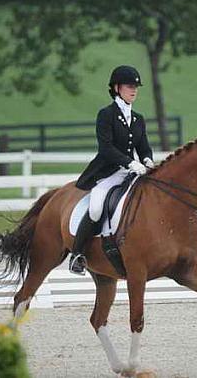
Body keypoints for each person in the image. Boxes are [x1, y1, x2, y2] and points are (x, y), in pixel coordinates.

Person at [69, 65, 155, 275]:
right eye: (129, 86)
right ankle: (77, 255)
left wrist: (147, 160)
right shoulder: (106, 115)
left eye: (136, 86)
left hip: (130, 173)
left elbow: (143, 146)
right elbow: (106, 148)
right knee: (97, 207)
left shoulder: (138, 118)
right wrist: (130, 162)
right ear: (117, 88)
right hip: (107, 173)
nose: (134, 90)